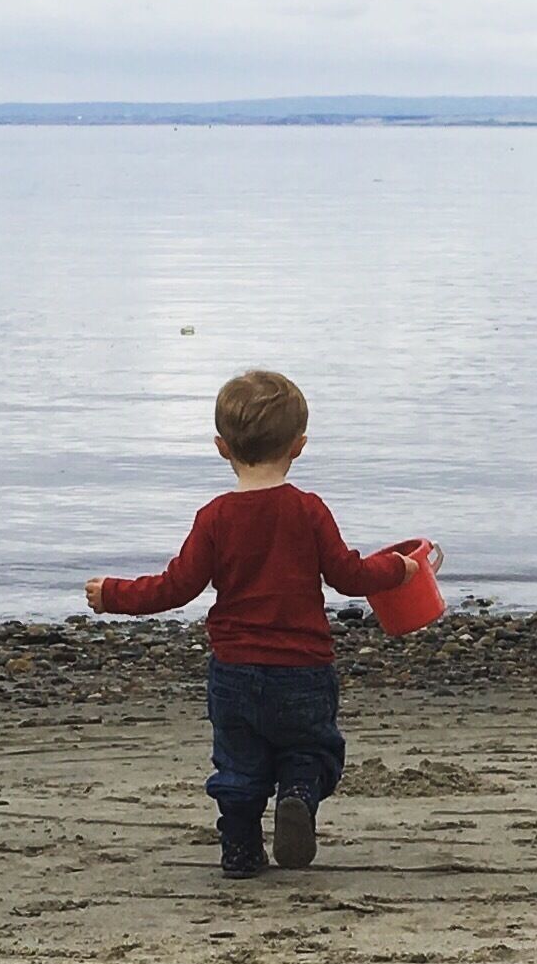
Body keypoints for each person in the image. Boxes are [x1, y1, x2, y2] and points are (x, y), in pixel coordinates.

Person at [85, 369, 436, 878]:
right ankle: (297, 793)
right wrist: (399, 570)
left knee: (239, 766)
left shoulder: (215, 517)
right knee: (311, 748)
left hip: (235, 673)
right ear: (299, 446)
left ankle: (241, 848)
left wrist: (113, 594)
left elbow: (175, 586)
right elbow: (347, 574)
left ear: (221, 448)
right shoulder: (308, 511)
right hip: (303, 671)